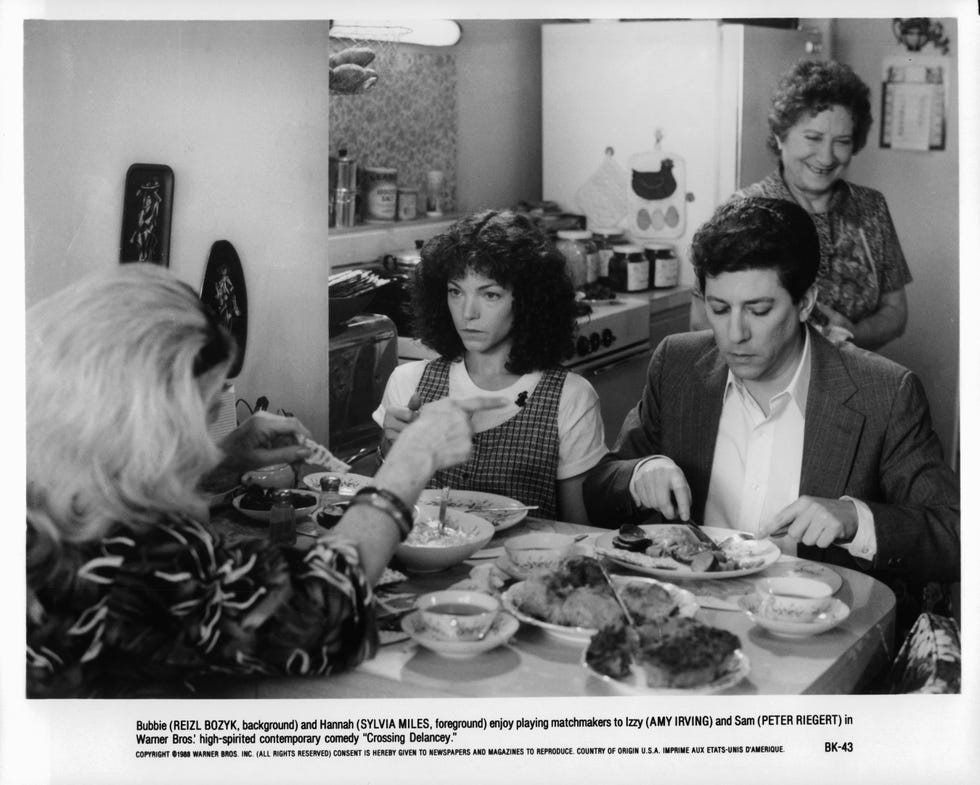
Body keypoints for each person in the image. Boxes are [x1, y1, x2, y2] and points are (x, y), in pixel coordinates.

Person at [26, 263, 504, 698]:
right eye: (205, 408)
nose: (212, 423)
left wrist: (220, 459)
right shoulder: (146, 552)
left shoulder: (41, 490)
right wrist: (412, 459)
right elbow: (322, 613)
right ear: (146, 417)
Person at [585, 198, 958, 634]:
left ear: (805, 303)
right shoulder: (678, 364)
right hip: (681, 625)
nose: (734, 333)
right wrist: (638, 472)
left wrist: (856, 519)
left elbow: (955, 534)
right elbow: (599, 490)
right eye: (719, 309)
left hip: (811, 636)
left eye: (759, 310)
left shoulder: (885, 392)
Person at [373, 209, 607, 523]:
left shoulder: (571, 397)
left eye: (490, 294)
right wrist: (390, 448)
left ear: (528, 300)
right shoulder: (407, 383)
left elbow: (579, 532)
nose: (468, 313)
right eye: (456, 292)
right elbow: (379, 517)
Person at [690, 59, 911, 351]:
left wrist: (855, 332)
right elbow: (701, 321)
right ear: (781, 136)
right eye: (813, 138)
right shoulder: (742, 213)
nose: (827, 156)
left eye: (842, 141)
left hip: (854, 380)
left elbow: (896, 311)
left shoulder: (871, 208)